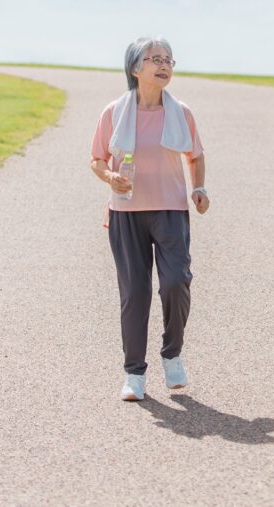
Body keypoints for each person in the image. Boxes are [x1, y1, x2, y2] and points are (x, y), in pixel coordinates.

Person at [89, 36, 210, 401]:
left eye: (169, 60)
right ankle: (134, 374)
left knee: (176, 282)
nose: (163, 65)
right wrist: (110, 176)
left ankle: (172, 354)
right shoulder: (113, 112)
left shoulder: (182, 112)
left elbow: (196, 155)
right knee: (135, 293)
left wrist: (199, 188)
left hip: (171, 210)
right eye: (154, 58)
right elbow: (96, 159)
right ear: (135, 68)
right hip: (126, 212)